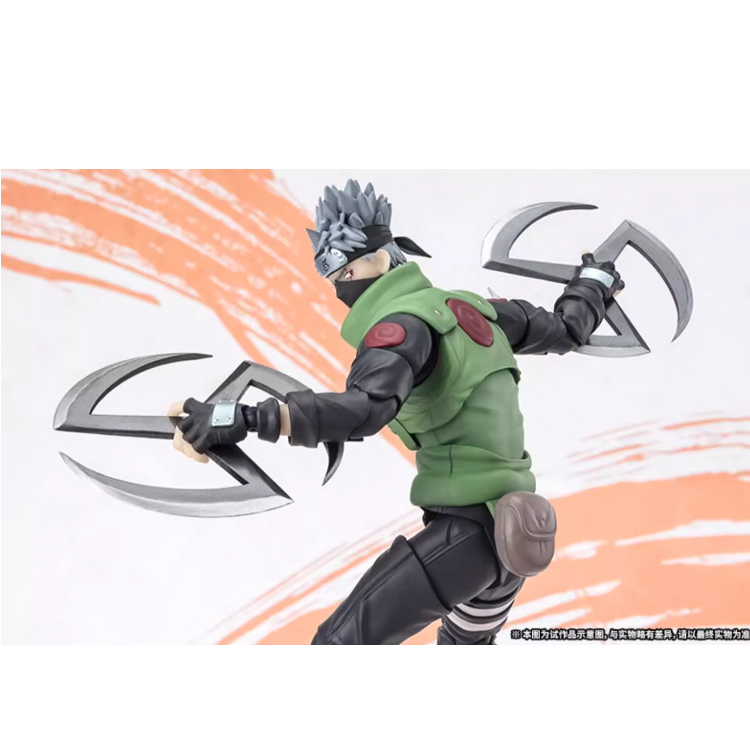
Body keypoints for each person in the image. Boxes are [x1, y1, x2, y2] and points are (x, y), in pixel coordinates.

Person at [168, 180, 623, 645]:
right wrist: (594, 283)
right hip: (517, 535)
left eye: (346, 272)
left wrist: (241, 418)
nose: (340, 288)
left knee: (337, 646)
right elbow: (567, 328)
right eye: (333, 279)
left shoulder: (401, 328)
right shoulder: (477, 310)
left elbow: (364, 409)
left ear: (382, 259)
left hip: (468, 538)